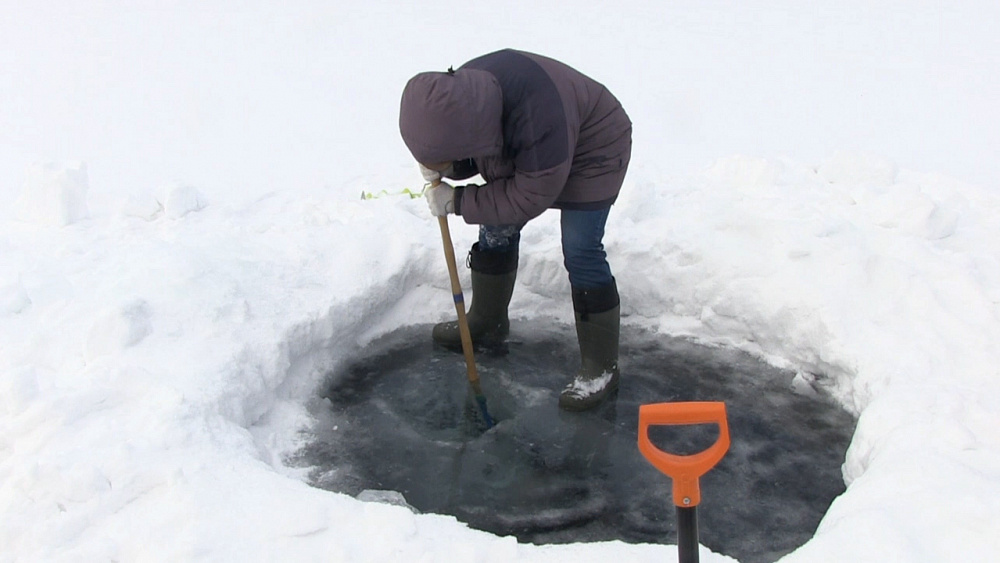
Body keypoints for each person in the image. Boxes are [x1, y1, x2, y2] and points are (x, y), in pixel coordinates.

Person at [398, 49, 632, 411]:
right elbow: (478, 153)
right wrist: (444, 167)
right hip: (537, 142)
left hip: (594, 146)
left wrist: (458, 201)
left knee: (580, 247)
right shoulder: (461, 98)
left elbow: (528, 196)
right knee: (496, 225)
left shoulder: (537, 116)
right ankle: (487, 322)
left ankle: (600, 368)